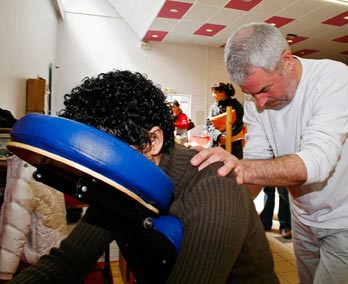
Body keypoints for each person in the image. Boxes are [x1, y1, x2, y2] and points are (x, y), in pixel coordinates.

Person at [8, 70, 279, 284]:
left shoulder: (214, 188)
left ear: (152, 141)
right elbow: (68, 262)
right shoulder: (116, 185)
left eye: (109, 153)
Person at [191, 23, 348, 284]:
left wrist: (241, 166)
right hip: (303, 215)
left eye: (265, 89)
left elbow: (316, 163)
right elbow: (257, 160)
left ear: (287, 61)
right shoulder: (256, 100)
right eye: (250, 93)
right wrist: (225, 209)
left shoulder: (335, 80)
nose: (259, 102)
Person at [206, 82, 244, 159]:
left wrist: (226, 135)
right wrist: (219, 136)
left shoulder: (236, 105)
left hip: (234, 145)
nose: (213, 95)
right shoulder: (213, 107)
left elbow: (239, 123)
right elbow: (209, 125)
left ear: (223, 93)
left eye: (215, 93)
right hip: (216, 144)